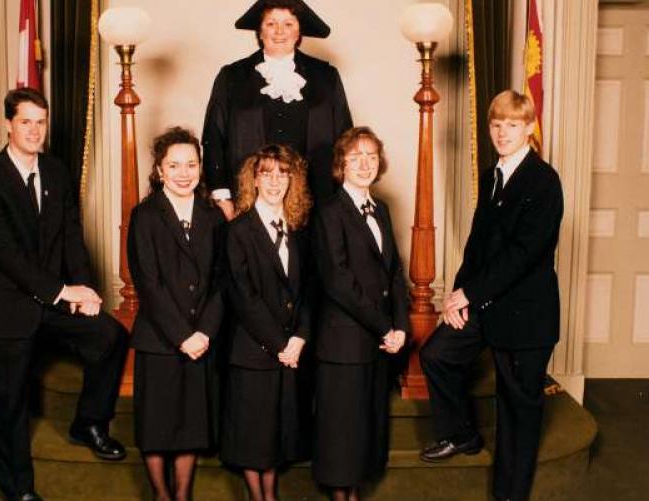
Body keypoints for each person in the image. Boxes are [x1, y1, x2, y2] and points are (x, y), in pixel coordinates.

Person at [0, 87, 128, 501]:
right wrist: (62, 291)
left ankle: (88, 424)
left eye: (41, 122)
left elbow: (71, 236)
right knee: (7, 407)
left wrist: (86, 289)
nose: (35, 130)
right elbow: (7, 257)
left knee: (110, 336)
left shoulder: (56, 172)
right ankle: (18, 489)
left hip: (53, 299)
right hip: (4, 306)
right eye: (26, 122)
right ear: (8, 125)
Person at [419, 90, 564, 501]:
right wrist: (455, 297)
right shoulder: (492, 175)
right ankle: (462, 435)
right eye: (496, 125)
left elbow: (524, 254)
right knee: (437, 355)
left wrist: (470, 294)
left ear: (529, 128)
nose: (502, 133)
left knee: (517, 411)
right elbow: (479, 244)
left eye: (512, 125)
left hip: (525, 317)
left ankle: (509, 496)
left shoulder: (544, 181)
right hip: (485, 301)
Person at [127, 127, 225, 501]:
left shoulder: (213, 216)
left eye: (191, 164)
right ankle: (161, 494)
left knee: (190, 422)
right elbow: (148, 283)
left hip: (201, 337)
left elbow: (222, 281)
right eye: (174, 165)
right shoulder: (145, 215)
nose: (184, 173)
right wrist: (182, 335)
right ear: (159, 170)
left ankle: (182, 493)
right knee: (157, 422)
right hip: (161, 337)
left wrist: (204, 332)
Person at [312, 127, 410, 501]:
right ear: (341, 165)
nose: (365, 164)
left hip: (377, 342)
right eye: (356, 157)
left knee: (366, 428)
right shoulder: (329, 212)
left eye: (371, 156)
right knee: (342, 431)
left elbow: (394, 271)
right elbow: (338, 281)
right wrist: (386, 326)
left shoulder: (380, 209)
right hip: (343, 341)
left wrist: (400, 325)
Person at [220, 144, 313, 501]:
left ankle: (269, 496)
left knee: (274, 435)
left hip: (289, 350)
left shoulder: (298, 230)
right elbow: (244, 297)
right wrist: (279, 344)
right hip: (253, 351)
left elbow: (308, 291)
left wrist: (299, 338)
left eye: (282, 173)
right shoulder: (238, 231)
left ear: (293, 180)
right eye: (266, 173)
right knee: (252, 435)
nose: (275, 181)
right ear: (253, 180)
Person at [202, 0, 353, 220]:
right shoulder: (231, 77)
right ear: (260, 30)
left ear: (299, 31)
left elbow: (345, 141)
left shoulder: (326, 77)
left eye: (289, 24)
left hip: (318, 205)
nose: (280, 31)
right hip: (248, 204)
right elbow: (213, 138)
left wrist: (343, 199)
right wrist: (222, 197)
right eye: (271, 23)